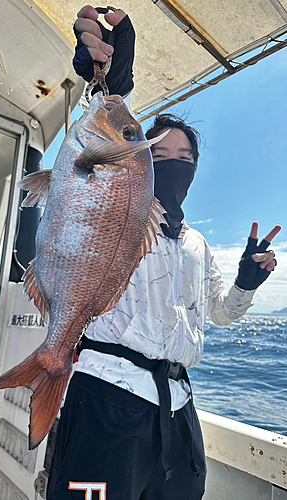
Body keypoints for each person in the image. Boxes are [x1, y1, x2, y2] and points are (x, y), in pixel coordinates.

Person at [46, 6, 281, 500]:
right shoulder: (123, 210)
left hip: (177, 405)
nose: (175, 165)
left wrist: (245, 283)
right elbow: (99, 169)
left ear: (196, 169)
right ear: (140, 163)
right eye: (159, 155)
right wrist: (111, 86)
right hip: (107, 394)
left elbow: (219, 314)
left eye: (186, 158)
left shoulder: (196, 243)